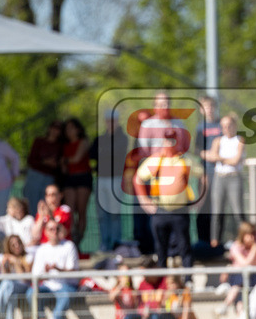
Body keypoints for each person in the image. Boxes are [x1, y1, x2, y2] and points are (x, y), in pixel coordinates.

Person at [133, 128, 205, 273]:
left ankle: (188, 279)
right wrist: (144, 200)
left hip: (180, 211)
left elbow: (203, 176)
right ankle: (163, 281)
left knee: (184, 246)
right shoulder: (156, 160)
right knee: (161, 248)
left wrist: (200, 200)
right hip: (161, 210)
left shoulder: (185, 160)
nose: (170, 143)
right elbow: (138, 178)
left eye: (173, 139)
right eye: (167, 139)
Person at [27, 221, 80, 319]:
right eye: (51, 229)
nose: (54, 232)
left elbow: (73, 271)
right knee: (31, 293)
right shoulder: (42, 249)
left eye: (56, 229)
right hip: (47, 285)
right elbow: (36, 274)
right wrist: (46, 272)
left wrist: (58, 269)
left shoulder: (69, 246)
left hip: (66, 285)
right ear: (45, 232)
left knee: (65, 295)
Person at [206, 113, 245, 247]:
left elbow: (235, 160)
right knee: (217, 211)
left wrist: (221, 158)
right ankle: (215, 241)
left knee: (237, 211)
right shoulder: (218, 140)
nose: (226, 128)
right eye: (223, 126)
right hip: (220, 178)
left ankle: (243, 239)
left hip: (234, 177)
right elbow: (211, 156)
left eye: (229, 125)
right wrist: (224, 159)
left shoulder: (239, 140)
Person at [93, 110, 129, 252]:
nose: (110, 123)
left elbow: (116, 153)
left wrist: (104, 152)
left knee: (114, 214)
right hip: (101, 179)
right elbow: (92, 153)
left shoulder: (122, 138)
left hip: (116, 178)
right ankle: (104, 243)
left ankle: (116, 244)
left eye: (113, 120)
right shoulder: (100, 138)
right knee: (102, 214)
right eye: (108, 120)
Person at [219, 221, 256, 319]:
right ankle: (237, 315)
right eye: (249, 235)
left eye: (253, 234)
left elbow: (254, 264)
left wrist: (255, 248)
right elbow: (245, 264)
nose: (252, 238)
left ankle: (227, 303)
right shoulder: (235, 246)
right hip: (238, 276)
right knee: (241, 281)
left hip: (254, 277)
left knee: (242, 290)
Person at [60, 118, 93, 245]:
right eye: (67, 129)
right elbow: (64, 166)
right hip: (70, 178)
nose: (69, 131)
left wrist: (65, 161)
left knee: (81, 210)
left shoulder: (83, 142)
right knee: (70, 210)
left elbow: (76, 158)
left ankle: (79, 239)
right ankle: (72, 237)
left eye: (71, 128)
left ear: (78, 129)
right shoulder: (65, 146)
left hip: (83, 177)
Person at [195, 96, 223, 243]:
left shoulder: (221, 125)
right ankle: (202, 241)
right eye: (206, 107)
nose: (209, 110)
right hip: (205, 172)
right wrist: (210, 156)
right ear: (201, 109)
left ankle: (217, 241)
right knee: (203, 206)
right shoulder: (200, 127)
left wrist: (218, 157)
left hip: (220, 172)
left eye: (211, 106)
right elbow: (197, 150)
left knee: (218, 208)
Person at [23, 121, 63, 216]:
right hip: (35, 176)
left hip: (50, 178)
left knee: (46, 204)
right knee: (31, 203)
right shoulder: (39, 141)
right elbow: (31, 160)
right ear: (49, 128)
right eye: (54, 128)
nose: (55, 131)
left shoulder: (60, 146)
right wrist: (45, 162)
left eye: (58, 129)